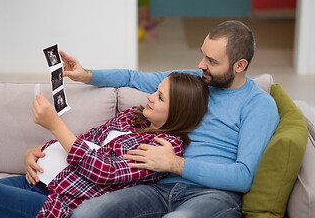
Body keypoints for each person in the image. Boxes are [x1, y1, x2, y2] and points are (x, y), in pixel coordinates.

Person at [29, 20, 279, 218]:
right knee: (86, 213)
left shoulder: (259, 105)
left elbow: (244, 176)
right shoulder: (193, 80)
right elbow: (132, 78)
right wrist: (86, 75)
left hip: (212, 194)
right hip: (157, 187)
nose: (200, 64)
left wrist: (175, 164)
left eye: (212, 61)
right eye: (203, 54)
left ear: (239, 65)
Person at [0, 72, 209, 218]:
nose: (150, 97)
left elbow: (106, 171)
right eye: (155, 90)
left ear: (178, 111)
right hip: (35, 180)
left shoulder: (164, 147)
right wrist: (35, 153)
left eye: (160, 98)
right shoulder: (133, 116)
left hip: (56, 201)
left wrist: (55, 126)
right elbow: (87, 141)